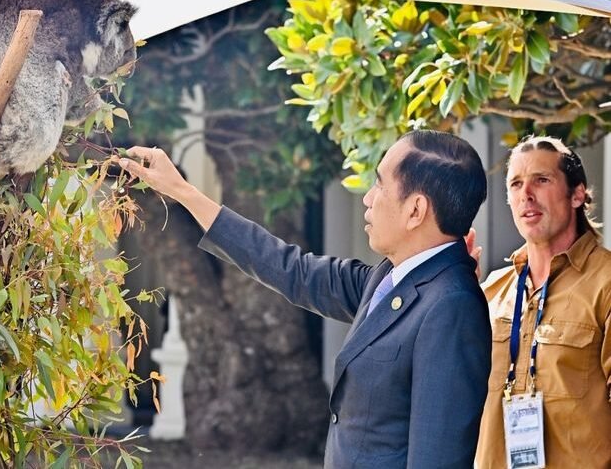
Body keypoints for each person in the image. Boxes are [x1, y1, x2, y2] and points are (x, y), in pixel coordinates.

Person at [120, 130, 491, 468]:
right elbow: (289, 269)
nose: (368, 198)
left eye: (380, 185)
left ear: (416, 210)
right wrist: (184, 192)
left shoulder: (450, 305)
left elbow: (436, 460)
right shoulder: (393, 277)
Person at [473, 136, 611, 468]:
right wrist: (450, 288)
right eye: (516, 184)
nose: (526, 194)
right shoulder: (490, 291)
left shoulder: (606, 283)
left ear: (577, 194)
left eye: (541, 180)